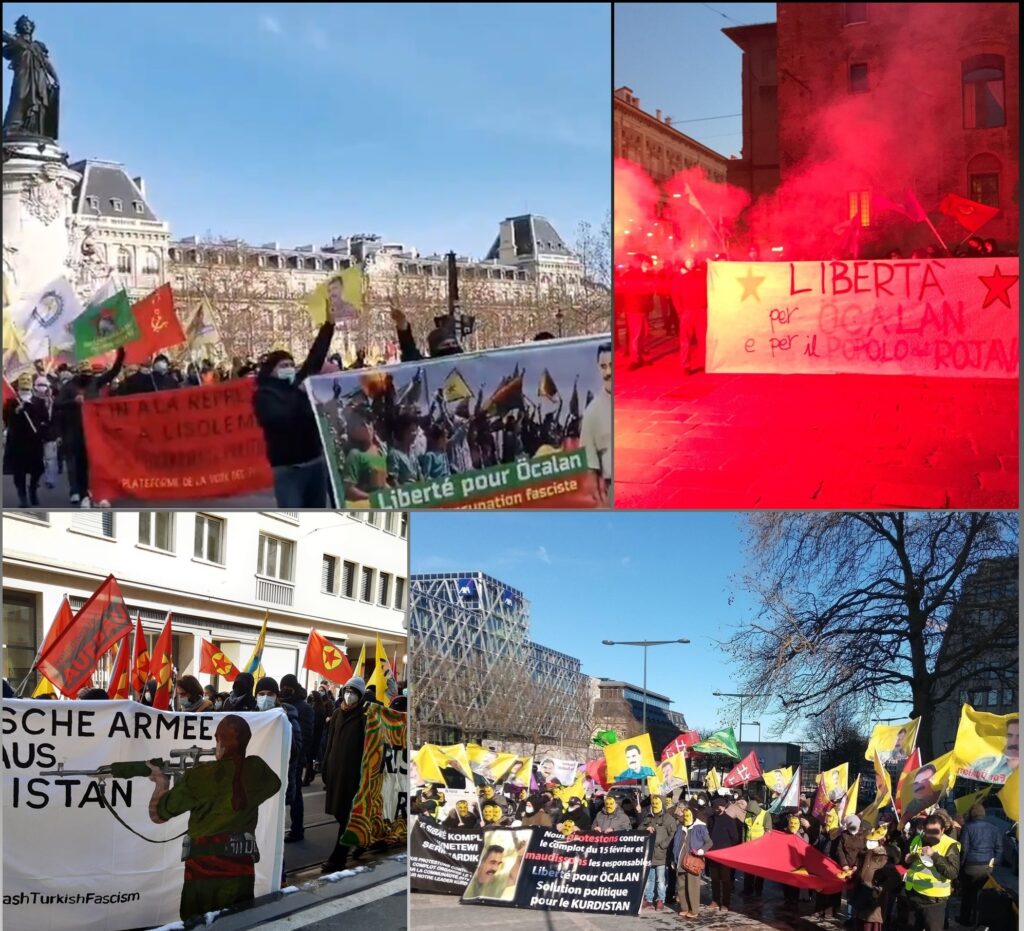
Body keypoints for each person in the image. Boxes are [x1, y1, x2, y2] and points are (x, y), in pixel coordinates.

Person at [252, 317, 336, 507]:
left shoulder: (299, 383)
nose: (289, 369)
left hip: (314, 464)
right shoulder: (264, 395)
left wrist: (329, 324)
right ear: (271, 371)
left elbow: (315, 357)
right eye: (283, 366)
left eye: (291, 364)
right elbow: (279, 420)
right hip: (288, 470)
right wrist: (298, 397)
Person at [53, 347, 124, 505]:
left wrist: (121, 354)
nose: (88, 377)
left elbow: (113, 372)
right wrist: (73, 402)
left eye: (89, 374)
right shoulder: (69, 387)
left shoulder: (94, 382)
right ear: (78, 373)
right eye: (84, 374)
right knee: (78, 463)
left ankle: (94, 492)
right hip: (74, 430)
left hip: (93, 430)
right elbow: (57, 404)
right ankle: (80, 491)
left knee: (95, 461)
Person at [321, 676, 367, 873]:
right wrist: (325, 766)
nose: (349, 695)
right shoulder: (338, 714)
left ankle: (339, 858)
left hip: (352, 775)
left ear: (360, 696)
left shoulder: (365, 718)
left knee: (347, 815)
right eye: (347, 691)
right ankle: (361, 840)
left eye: (354, 692)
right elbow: (329, 743)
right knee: (340, 814)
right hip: (335, 772)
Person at [254, 677, 303, 852]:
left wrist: (284, 727)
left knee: (272, 835)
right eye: (261, 694)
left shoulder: (287, 717)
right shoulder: (250, 717)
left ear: (276, 696)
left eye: (269, 694)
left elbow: (295, 751)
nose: (265, 697)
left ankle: (278, 874)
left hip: (276, 783)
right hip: (253, 785)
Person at [903, 813, 960, 931]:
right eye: (929, 831)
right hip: (914, 896)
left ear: (943, 830)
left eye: (935, 831)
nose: (932, 835)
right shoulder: (918, 839)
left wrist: (934, 856)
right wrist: (909, 859)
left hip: (934, 902)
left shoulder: (950, 845)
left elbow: (952, 872)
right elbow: (907, 862)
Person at [3, 373, 52, 507]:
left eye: (27, 383)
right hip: (17, 442)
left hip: (34, 441)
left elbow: (46, 420)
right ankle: (22, 496)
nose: (25, 387)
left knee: (37, 469)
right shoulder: (12, 402)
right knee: (20, 471)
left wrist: (43, 430)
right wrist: (15, 412)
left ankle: (32, 490)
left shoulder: (38, 402)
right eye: (23, 384)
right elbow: (6, 420)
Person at [279, 674, 314, 842]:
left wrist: (300, 759)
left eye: (287, 686)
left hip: (296, 759)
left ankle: (297, 829)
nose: (284, 689)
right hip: (280, 757)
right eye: (282, 686)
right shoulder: (280, 705)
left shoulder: (304, 708)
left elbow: (306, 736)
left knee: (295, 796)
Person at [957, 802, 1004, 925]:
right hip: (987, 867)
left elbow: (964, 849)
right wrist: (994, 863)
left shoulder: (967, 827)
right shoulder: (994, 828)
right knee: (982, 894)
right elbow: (999, 849)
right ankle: (978, 919)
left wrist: (960, 865)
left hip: (970, 866)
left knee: (967, 894)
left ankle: (965, 919)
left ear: (972, 814)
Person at [850, 824, 901, 931]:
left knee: (870, 925)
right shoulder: (867, 853)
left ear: (882, 840)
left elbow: (895, 878)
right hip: (861, 896)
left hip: (873, 900)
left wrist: (879, 889)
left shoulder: (884, 858)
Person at [579, 342, 612, 505]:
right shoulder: (592, 412)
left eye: (612, 365)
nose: (608, 372)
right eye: (603, 366)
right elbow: (589, 464)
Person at [671, 803, 711, 919]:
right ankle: (684, 908)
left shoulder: (700, 827)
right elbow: (676, 844)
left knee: (692, 887)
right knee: (681, 886)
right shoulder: (680, 827)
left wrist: (701, 851)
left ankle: (694, 910)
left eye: (688, 815)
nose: (686, 817)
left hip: (693, 861)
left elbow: (709, 842)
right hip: (680, 861)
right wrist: (673, 859)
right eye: (685, 815)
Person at [671, 256, 709, 375]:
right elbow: (675, 294)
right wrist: (680, 311)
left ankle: (703, 363)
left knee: (702, 339)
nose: (691, 263)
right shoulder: (679, 277)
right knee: (685, 340)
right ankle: (685, 365)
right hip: (687, 311)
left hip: (700, 310)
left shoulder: (701, 274)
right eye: (688, 260)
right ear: (684, 262)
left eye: (692, 260)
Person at [390, 304, 462, 362]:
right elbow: (410, 354)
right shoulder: (427, 368)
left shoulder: (466, 364)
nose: (451, 347)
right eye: (445, 345)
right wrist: (403, 327)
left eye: (454, 343)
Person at [707, 795, 741, 910]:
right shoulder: (711, 819)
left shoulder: (729, 820)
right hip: (713, 854)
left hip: (725, 855)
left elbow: (735, 838)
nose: (717, 809)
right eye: (716, 807)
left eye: (720, 806)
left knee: (725, 880)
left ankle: (725, 903)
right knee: (715, 879)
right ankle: (715, 900)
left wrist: (727, 848)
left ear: (724, 807)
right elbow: (708, 834)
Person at [640, 795, 674, 911]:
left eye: (657, 803)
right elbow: (639, 829)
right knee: (649, 879)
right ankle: (649, 899)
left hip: (661, 854)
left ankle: (660, 899)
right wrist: (646, 829)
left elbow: (672, 833)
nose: (654, 805)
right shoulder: (648, 817)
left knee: (660, 880)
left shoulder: (668, 818)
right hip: (649, 854)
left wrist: (663, 845)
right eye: (653, 803)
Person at [742, 797, 772, 896]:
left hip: (760, 849)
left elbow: (768, 832)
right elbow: (745, 829)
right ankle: (747, 889)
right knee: (748, 870)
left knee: (760, 871)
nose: (750, 813)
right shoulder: (748, 814)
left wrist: (766, 847)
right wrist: (743, 844)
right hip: (749, 847)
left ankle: (758, 889)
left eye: (751, 811)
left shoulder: (765, 815)